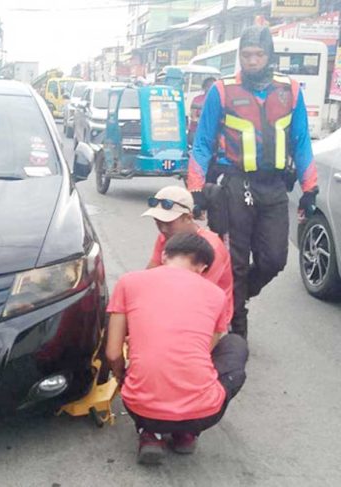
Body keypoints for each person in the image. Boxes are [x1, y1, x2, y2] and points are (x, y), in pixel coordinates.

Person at [187, 26, 319, 339]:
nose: (252, 61)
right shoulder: (222, 90)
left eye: (259, 54)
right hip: (235, 185)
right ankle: (238, 331)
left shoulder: (291, 90)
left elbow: (302, 143)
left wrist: (309, 189)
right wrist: (196, 188)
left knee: (274, 259)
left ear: (269, 55)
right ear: (240, 56)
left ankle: (238, 297)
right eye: (246, 55)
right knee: (235, 264)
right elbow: (203, 142)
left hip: (273, 187)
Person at [106, 233, 249, 465]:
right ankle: (186, 435)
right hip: (202, 414)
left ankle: (150, 434)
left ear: (164, 256)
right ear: (202, 267)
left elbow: (113, 353)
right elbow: (207, 349)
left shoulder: (128, 282)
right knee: (235, 344)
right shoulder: (216, 295)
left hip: (139, 407)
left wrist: (124, 380)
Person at [143, 185, 233, 325]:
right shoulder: (165, 237)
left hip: (207, 312)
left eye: (168, 223)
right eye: (158, 223)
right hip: (173, 300)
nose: (163, 229)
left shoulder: (211, 248)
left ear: (188, 218)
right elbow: (149, 277)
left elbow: (197, 296)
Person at [187, 76, 216, 147]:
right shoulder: (197, 99)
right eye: (209, 86)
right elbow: (193, 118)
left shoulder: (218, 100)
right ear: (205, 87)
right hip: (196, 132)